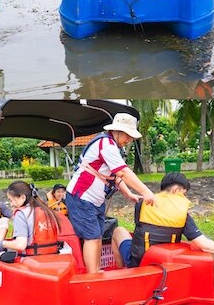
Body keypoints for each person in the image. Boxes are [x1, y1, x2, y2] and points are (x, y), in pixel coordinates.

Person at [65, 112, 158, 273]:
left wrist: (129, 194)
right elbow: (123, 173)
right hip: (82, 197)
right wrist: (146, 191)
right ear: (117, 131)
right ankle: (92, 275)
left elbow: (114, 177)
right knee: (92, 237)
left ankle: (96, 270)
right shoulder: (106, 144)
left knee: (97, 236)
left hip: (95, 201)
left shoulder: (113, 147)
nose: (128, 140)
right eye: (127, 135)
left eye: (131, 137)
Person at [112, 172, 214, 269]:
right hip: (166, 264)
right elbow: (204, 245)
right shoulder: (183, 213)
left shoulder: (142, 203)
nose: (183, 197)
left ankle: (123, 270)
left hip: (139, 262)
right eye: (183, 193)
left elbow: (139, 230)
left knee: (118, 231)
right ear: (175, 190)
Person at [0, 181, 63, 262]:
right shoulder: (47, 211)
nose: (11, 204)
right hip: (52, 255)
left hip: (30, 259)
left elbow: (21, 245)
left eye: (11, 200)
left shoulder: (21, 214)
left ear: (22, 198)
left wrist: (1, 243)